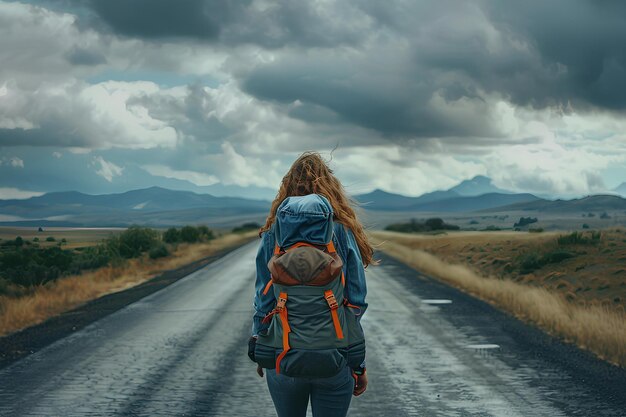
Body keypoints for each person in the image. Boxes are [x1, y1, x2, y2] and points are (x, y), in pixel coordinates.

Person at [250, 151, 374, 417]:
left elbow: (264, 299)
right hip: (335, 359)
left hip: (283, 356)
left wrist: (262, 344)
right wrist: (358, 364)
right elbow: (356, 302)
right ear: (330, 190)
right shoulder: (342, 231)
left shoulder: (274, 234)